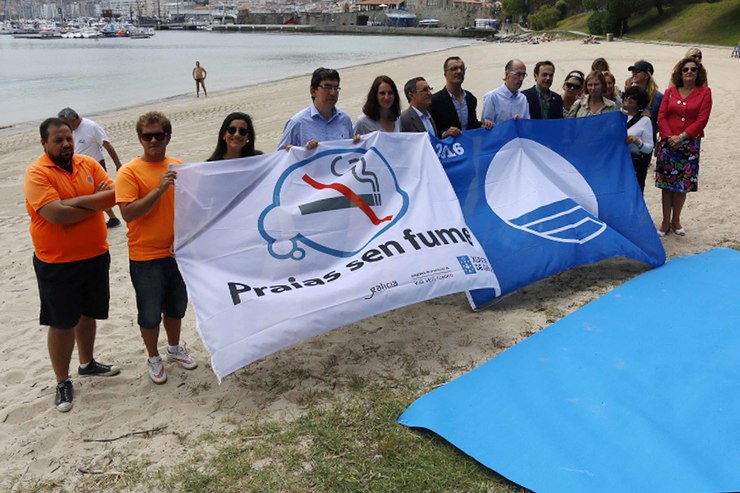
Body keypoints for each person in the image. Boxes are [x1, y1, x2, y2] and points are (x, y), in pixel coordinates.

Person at [24, 117, 121, 412]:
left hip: (94, 255)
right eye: (58, 140)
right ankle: (62, 380)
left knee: (88, 314)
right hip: (57, 262)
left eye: (68, 138)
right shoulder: (37, 173)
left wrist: (74, 201)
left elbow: (114, 195)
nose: (66, 144)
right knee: (62, 322)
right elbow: (56, 215)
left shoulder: (87, 164)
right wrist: (93, 203)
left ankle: (87, 363)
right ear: (45, 143)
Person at [115, 112, 198, 384]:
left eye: (158, 135)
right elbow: (128, 213)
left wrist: (186, 235)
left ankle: (174, 348)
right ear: (140, 138)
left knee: (176, 307)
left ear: (168, 137)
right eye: (147, 136)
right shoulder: (128, 171)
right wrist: (159, 189)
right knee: (149, 312)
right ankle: (153, 357)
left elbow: (190, 206)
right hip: (145, 256)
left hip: (178, 253)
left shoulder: (178, 166)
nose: (153, 140)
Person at [654, 57, 712, 237]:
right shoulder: (670, 92)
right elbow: (661, 116)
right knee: (667, 185)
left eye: (693, 69)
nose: (689, 72)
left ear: (698, 72)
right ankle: (665, 221)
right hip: (668, 143)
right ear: (680, 73)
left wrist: (682, 137)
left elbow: (702, 119)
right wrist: (669, 136)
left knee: (682, 185)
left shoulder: (705, 93)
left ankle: (676, 219)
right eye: (685, 69)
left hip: (689, 145)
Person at [57, 107, 124, 229]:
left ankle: (113, 218)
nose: (65, 126)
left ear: (74, 118)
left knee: (99, 194)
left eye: (67, 123)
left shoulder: (91, 127)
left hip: (95, 166)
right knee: (89, 195)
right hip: (77, 167)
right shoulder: (70, 130)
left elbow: (107, 145)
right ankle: (113, 218)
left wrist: (118, 165)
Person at [278, 67, 353, 150]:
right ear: (313, 91)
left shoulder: (345, 120)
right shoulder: (297, 123)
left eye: (336, 88)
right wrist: (304, 152)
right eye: (327, 87)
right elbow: (280, 158)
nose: (333, 93)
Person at [428, 56, 492, 138]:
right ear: (445, 74)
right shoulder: (435, 101)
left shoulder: (470, 98)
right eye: (454, 68)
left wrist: (483, 124)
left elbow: (472, 124)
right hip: (448, 148)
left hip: (468, 145)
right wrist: (444, 134)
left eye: (461, 69)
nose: (459, 71)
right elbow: (430, 130)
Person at [622, 86, 654, 193]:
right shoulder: (616, 116)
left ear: (639, 101)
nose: (628, 99)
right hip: (616, 162)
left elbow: (649, 148)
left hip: (633, 165)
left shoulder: (645, 121)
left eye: (633, 97)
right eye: (626, 96)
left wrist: (637, 142)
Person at [481, 59, 531, 125]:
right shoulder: (492, 97)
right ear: (507, 74)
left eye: (523, 75)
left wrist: (521, 122)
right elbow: (485, 126)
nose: (521, 79)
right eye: (518, 74)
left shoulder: (523, 99)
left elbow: (527, 125)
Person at [626, 60, 663, 136]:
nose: (634, 74)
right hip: (629, 134)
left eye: (637, 71)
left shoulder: (657, 97)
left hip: (647, 136)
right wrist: (627, 91)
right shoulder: (629, 93)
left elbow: (661, 120)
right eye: (633, 71)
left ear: (646, 75)